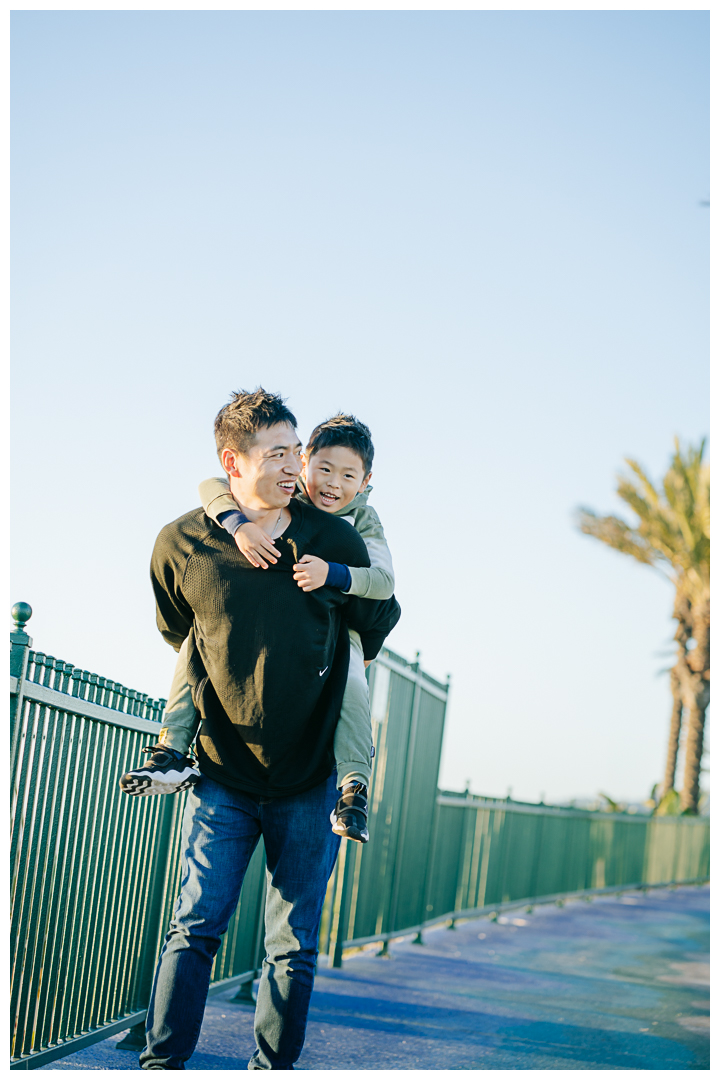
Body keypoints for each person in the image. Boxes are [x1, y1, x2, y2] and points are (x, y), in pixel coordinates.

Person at [138, 388, 400, 1070]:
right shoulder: (183, 541)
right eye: (280, 454)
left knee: (293, 947)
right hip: (221, 774)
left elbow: (378, 614)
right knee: (193, 929)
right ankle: (162, 1064)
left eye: (295, 452)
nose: (296, 470)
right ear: (234, 460)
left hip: (310, 782)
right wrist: (233, 524)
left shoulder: (336, 539)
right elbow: (179, 630)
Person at [121, 414, 394, 845]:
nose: (332, 484)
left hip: (338, 629)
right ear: (304, 465)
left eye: (347, 475)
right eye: (322, 468)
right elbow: (212, 486)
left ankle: (353, 787)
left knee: (353, 677)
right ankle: (170, 751)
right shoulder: (288, 497)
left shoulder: (363, 522)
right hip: (239, 719)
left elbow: (384, 587)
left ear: (365, 481)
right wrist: (239, 525)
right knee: (199, 639)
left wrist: (335, 574)